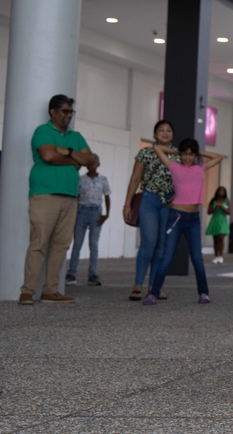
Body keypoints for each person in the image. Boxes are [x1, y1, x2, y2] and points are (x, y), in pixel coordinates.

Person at [19, 95, 97, 305]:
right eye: (64, 111)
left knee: (61, 245)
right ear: (52, 112)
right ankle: (27, 291)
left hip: (70, 197)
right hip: (45, 195)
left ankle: (51, 290)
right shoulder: (42, 131)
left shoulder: (76, 136)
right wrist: (74, 160)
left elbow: (92, 161)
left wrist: (69, 152)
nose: (68, 115)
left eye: (71, 112)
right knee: (39, 243)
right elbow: (48, 156)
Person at [143, 138, 224, 306]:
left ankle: (204, 293)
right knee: (167, 257)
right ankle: (153, 293)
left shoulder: (200, 167)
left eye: (190, 154)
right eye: (185, 154)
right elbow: (158, 148)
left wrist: (198, 152)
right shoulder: (174, 167)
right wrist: (178, 152)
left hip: (193, 219)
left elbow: (218, 157)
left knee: (197, 259)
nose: (187, 157)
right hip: (176, 218)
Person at [123, 119, 175, 301]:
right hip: (149, 199)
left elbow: (184, 181)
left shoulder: (177, 155)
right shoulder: (145, 152)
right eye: (161, 130)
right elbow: (135, 178)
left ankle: (154, 287)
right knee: (149, 242)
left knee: (161, 246)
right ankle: (138, 284)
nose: (165, 133)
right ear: (154, 134)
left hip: (169, 203)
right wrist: (127, 203)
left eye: (169, 130)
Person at [66, 154, 111, 286]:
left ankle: (92, 274)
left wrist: (106, 214)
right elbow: (76, 196)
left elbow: (107, 196)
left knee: (93, 244)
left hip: (96, 212)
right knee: (77, 243)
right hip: (82, 211)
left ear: (98, 164)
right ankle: (71, 273)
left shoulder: (103, 179)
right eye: (89, 163)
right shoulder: (80, 179)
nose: (92, 166)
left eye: (94, 163)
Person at [205, 186, 230, 264]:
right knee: (215, 238)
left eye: (223, 191)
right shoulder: (213, 200)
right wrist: (215, 207)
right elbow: (209, 212)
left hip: (222, 220)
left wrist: (221, 206)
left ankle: (221, 256)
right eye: (220, 191)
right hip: (215, 219)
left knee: (221, 238)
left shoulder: (227, 200)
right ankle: (216, 255)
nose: (221, 192)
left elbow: (229, 212)